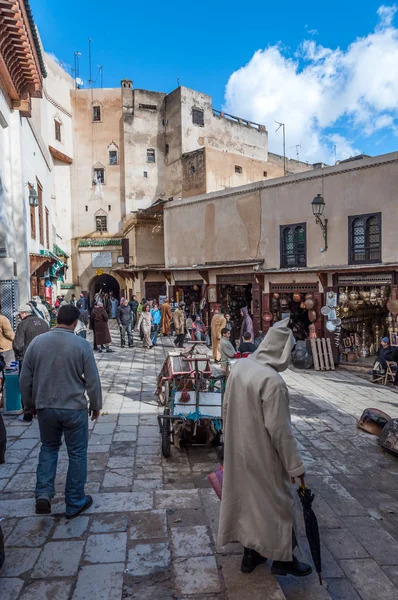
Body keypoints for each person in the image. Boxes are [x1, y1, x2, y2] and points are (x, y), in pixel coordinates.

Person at [218, 318, 312, 577]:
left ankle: (251, 554)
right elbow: (281, 432)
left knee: (249, 502)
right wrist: (295, 467)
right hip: (262, 453)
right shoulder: (273, 382)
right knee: (279, 503)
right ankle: (283, 559)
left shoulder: (242, 366)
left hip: (239, 448)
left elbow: (226, 406)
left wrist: (227, 439)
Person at [19, 304, 102, 518]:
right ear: (75, 323)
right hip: (74, 408)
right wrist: (95, 405)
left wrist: (29, 404)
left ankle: (43, 494)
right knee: (76, 453)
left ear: (57, 319)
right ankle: (74, 501)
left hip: (45, 407)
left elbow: (24, 379)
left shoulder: (37, 343)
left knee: (48, 448)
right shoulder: (81, 345)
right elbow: (93, 381)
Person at [13, 305, 49, 423]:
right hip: (43, 358)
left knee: (26, 386)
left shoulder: (22, 325)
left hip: (26, 359)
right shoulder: (43, 322)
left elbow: (18, 344)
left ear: (24, 313)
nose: (19, 316)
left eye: (19, 314)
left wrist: (17, 353)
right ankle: (42, 411)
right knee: (42, 384)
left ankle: (28, 414)